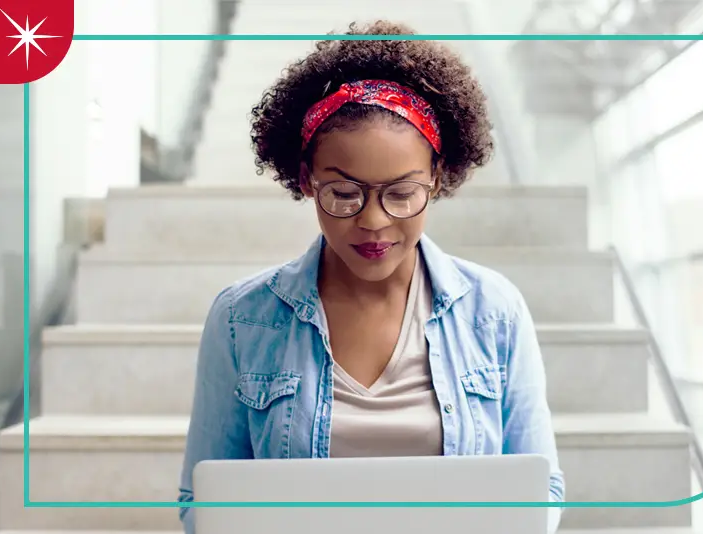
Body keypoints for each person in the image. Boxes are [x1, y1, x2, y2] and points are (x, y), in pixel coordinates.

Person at [178, 20, 564, 534]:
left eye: (402, 193)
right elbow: (201, 501)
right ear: (305, 180)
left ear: (437, 177)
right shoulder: (242, 318)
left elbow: (542, 490)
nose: (374, 221)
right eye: (343, 193)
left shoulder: (494, 310)